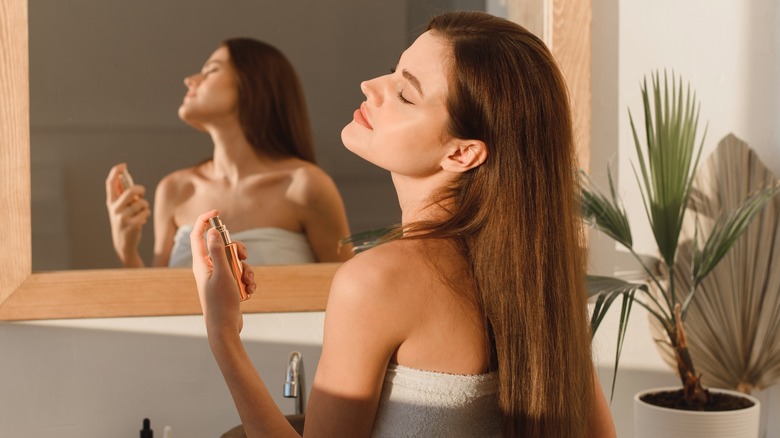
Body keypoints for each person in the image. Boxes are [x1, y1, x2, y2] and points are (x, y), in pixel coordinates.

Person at [192, 12, 616, 437]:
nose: (371, 87)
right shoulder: (541, 289)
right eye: (393, 70)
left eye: (405, 93)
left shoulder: (377, 281)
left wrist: (223, 334)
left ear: (462, 154)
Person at [105, 38, 351, 268]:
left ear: (252, 83)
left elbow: (343, 289)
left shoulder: (306, 186)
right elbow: (157, 300)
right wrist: (125, 249)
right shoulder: (176, 189)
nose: (190, 80)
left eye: (211, 70)